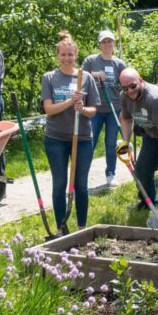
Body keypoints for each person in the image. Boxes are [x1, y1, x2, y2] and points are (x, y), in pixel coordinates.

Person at [41, 31, 99, 233]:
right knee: (60, 184)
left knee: (81, 184)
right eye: (63, 55)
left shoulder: (86, 78)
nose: (67, 58)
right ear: (58, 56)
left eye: (70, 55)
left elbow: (93, 111)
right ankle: (60, 227)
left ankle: (82, 226)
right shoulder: (49, 78)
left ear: (76, 55)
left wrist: (82, 108)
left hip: (82, 138)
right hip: (55, 138)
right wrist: (70, 101)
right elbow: (49, 109)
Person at [115, 68, 158, 220]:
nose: (129, 91)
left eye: (132, 86)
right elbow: (126, 119)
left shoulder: (154, 98)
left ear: (140, 80)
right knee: (142, 171)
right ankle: (148, 202)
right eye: (124, 88)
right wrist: (125, 142)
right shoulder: (125, 96)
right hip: (153, 131)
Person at [83, 30, 126, 188]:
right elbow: (81, 75)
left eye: (110, 41)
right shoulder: (91, 60)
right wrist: (95, 74)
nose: (107, 44)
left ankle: (110, 173)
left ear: (114, 43)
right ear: (100, 44)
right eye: (104, 42)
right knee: (90, 142)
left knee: (110, 143)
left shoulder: (119, 63)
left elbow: (126, 83)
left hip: (114, 108)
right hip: (95, 109)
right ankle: (82, 175)